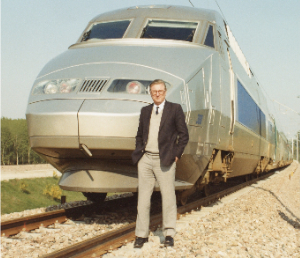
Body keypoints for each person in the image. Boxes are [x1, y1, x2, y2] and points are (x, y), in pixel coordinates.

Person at [131, 79, 189, 248]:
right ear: (150, 93)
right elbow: (139, 135)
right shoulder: (145, 111)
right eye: (154, 91)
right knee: (143, 198)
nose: (157, 94)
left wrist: (176, 154)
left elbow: (183, 135)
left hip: (165, 160)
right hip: (146, 160)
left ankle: (169, 233)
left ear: (165, 92)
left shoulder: (175, 109)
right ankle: (141, 235)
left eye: (160, 91)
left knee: (168, 197)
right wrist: (140, 154)